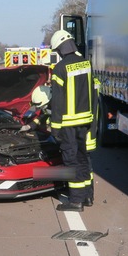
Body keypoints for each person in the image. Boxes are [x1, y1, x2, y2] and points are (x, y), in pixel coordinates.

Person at [47, 29, 95, 211]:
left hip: (68, 124)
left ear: (60, 48)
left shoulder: (60, 68)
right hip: (85, 121)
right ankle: (87, 196)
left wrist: (55, 127)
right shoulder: (86, 64)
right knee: (83, 159)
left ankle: (75, 201)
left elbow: (58, 101)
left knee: (71, 160)